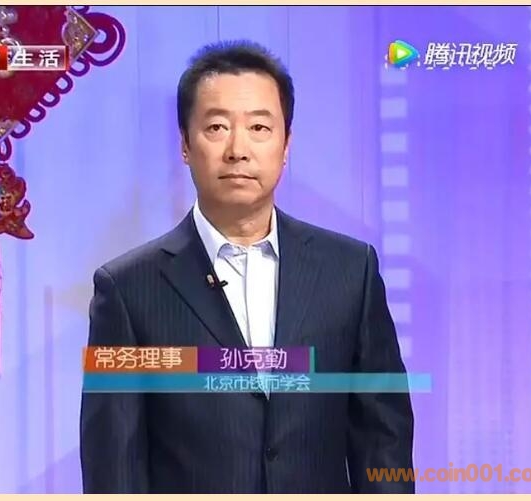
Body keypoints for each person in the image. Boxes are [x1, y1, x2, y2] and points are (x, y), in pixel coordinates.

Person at [80, 39, 414, 494]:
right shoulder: (126, 289)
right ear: (185, 144)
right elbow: (113, 465)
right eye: (217, 127)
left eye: (259, 127)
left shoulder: (351, 271)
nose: (238, 149)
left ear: (286, 144)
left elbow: (384, 440)